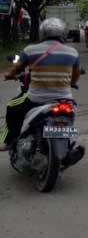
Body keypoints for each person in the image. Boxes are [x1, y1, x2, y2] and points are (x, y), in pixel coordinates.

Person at [1, 18, 81, 152]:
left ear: (42, 33)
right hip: (64, 98)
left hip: (36, 98)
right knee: (69, 117)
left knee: (12, 106)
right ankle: (67, 145)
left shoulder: (30, 50)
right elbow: (76, 74)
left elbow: (17, 68)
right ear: (63, 33)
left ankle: (9, 141)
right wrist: (72, 83)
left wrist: (9, 75)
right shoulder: (73, 52)